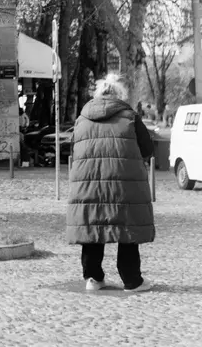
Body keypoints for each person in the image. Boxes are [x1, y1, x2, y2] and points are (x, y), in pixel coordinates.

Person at [66, 73, 155, 292]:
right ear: (120, 95)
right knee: (127, 230)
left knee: (92, 227)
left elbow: (73, 150)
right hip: (124, 186)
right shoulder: (130, 117)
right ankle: (132, 280)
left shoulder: (82, 119)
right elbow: (148, 149)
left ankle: (93, 279)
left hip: (88, 185)